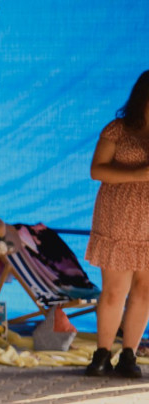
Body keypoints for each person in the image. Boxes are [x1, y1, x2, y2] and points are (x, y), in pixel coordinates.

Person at [85, 70, 149, 379]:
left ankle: (129, 355)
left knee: (145, 291)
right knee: (114, 291)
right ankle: (101, 354)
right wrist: (139, 175)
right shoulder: (118, 129)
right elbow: (97, 170)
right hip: (119, 216)